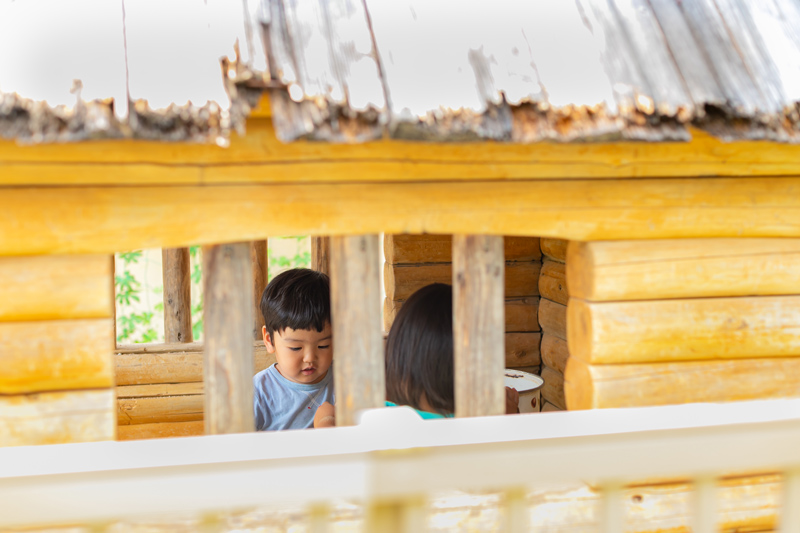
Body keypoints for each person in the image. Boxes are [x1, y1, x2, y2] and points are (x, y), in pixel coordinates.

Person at [314, 283, 518, 427]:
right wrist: (509, 414)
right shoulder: (480, 423)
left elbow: (335, 431)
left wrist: (326, 419)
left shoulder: (379, 417)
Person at [253, 268, 334, 431]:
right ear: (269, 340)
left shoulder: (346, 379)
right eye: (296, 348)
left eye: (323, 346)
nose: (310, 358)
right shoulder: (259, 393)